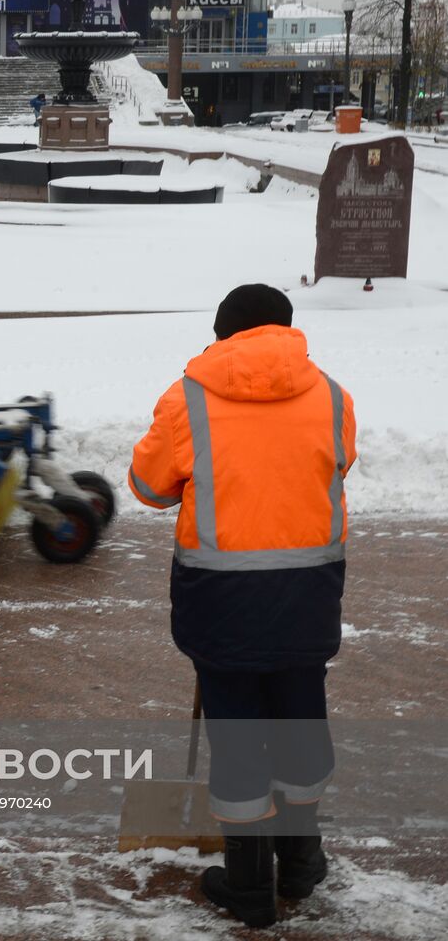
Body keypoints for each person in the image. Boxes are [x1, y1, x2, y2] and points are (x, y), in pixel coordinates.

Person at [128, 285, 356, 930]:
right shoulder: (334, 397)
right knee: (301, 722)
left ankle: (251, 886)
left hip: (221, 602)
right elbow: (339, 466)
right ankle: (303, 861)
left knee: (237, 739)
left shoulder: (187, 398)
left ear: (222, 334)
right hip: (309, 596)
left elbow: (148, 487)